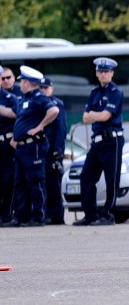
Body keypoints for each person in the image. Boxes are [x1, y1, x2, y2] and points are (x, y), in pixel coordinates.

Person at [3, 66, 59, 227]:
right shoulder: (24, 99)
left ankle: (37, 216)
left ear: (27, 82)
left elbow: (54, 111)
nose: (19, 84)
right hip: (21, 147)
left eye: (21, 81)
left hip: (33, 146)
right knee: (19, 182)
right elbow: (15, 115)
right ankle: (21, 216)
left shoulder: (38, 98)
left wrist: (40, 126)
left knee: (35, 181)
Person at [74, 57, 125, 226]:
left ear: (112, 73)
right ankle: (91, 215)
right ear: (96, 73)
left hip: (112, 141)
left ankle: (108, 215)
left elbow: (105, 116)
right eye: (100, 71)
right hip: (97, 142)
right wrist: (97, 115)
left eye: (106, 71)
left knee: (112, 179)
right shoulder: (94, 93)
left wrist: (94, 115)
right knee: (86, 177)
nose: (103, 74)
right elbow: (84, 117)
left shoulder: (115, 92)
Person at [40, 77, 68, 225]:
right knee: (42, 183)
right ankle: (46, 214)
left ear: (52, 89)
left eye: (46, 88)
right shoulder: (38, 104)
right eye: (41, 88)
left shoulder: (57, 104)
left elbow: (61, 129)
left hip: (52, 150)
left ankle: (56, 215)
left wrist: (58, 150)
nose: (43, 91)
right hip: (41, 148)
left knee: (53, 184)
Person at [0, 65, 19, 225]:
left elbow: (19, 117)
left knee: (7, 180)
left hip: (6, 144)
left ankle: (5, 214)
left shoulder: (9, 98)